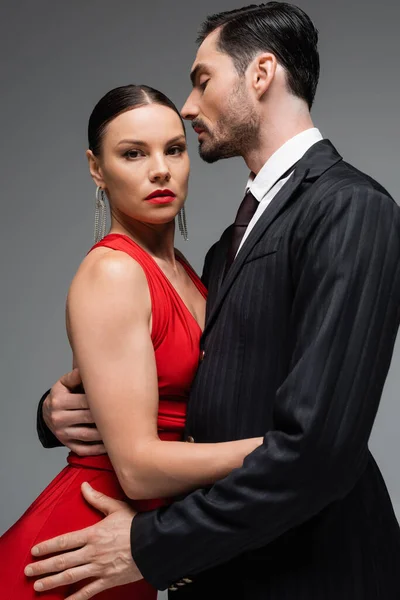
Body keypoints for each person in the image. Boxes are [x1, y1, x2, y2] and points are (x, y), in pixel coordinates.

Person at [27, 2, 400, 599]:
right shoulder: (227, 247)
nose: (190, 105)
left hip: (315, 569)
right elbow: (201, 383)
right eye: (134, 153)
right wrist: (59, 408)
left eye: (202, 81)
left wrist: (153, 545)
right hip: (228, 566)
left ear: (261, 74)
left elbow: (320, 450)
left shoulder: (351, 208)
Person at [0, 83, 264, 599]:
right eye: (132, 153)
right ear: (97, 168)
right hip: (75, 551)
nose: (160, 169)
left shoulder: (191, 272)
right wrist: (282, 451)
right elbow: (140, 470)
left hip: (130, 546)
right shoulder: (115, 272)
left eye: (174, 149)